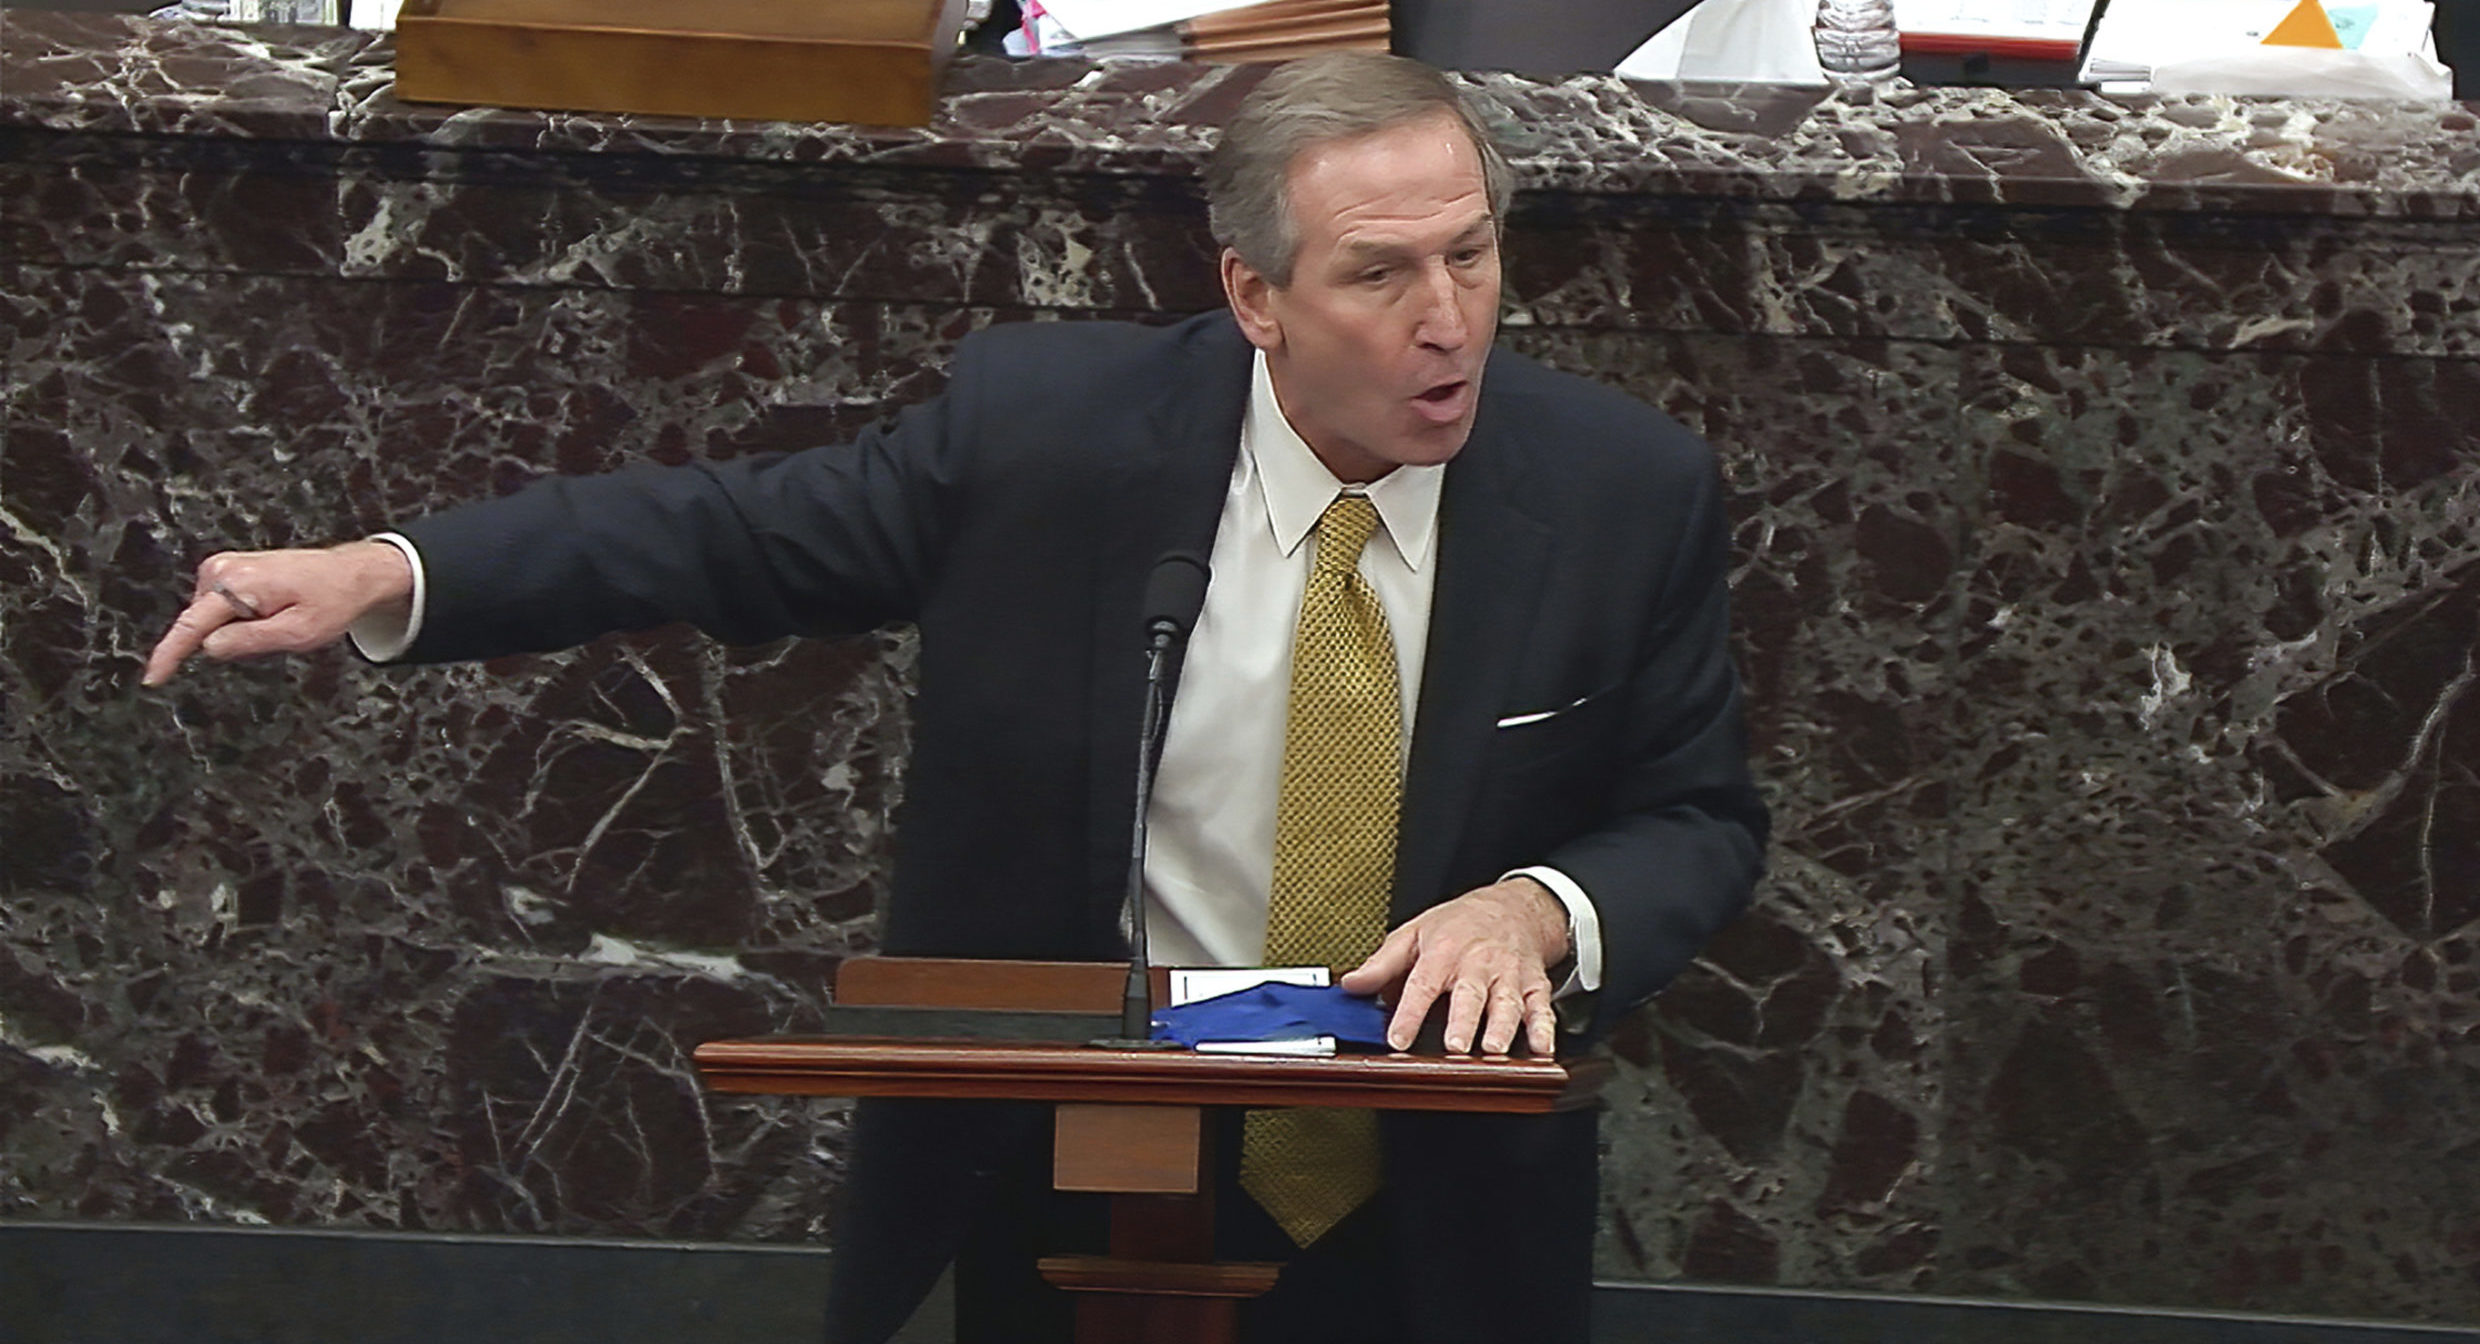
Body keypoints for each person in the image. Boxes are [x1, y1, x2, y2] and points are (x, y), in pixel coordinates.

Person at [142, 53, 1767, 1344]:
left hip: (1429, 1186)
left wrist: (1538, 912)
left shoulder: (1621, 491)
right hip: (1083, 1150)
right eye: (1379, 275)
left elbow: (1694, 815)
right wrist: (389, 571)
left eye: (1473, 255)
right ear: (1255, 297)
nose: (1447, 321)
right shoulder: (1050, 439)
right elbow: (725, 529)